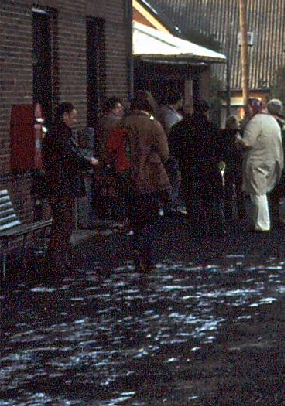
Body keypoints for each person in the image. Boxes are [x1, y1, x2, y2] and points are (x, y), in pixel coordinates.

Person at [40, 102, 99, 276]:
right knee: (63, 223)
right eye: (72, 116)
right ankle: (56, 262)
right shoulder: (61, 135)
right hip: (61, 185)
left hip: (61, 184)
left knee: (64, 223)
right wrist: (88, 161)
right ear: (64, 116)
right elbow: (70, 156)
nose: (74, 120)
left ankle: (60, 260)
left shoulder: (58, 133)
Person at [122, 91, 171, 273]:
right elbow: (165, 153)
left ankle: (136, 250)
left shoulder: (123, 123)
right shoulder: (153, 124)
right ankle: (147, 258)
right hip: (150, 179)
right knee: (150, 220)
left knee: (135, 220)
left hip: (127, 179)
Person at [167, 99, 223, 239]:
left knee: (193, 200)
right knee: (212, 200)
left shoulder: (181, 128)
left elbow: (173, 148)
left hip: (189, 168)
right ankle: (216, 228)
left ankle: (197, 229)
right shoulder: (213, 128)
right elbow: (220, 149)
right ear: (206, 111)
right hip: (210, 168)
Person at [239, 97, 283, 232]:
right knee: (261, 192)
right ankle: (259, 222)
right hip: (272, 160)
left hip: (257, 161)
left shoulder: (255, 122)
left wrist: (238, 139)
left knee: (258, 194)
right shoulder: (272, 121)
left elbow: (248, 142)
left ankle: (262, 223)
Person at [92, 96, 126, 227]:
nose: (120, 110)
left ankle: (103, 211)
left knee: (104, 186)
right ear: (113, 108)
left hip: (102, 159)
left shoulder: (100, 121)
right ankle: (116, 214)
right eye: (118, 107)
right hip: (114, 159)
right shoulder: (117, 123)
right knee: (115, 187)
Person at [266, 98, 285, 226]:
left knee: (269, 189)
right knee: (276, 188)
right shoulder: (282, 125)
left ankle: (268, 216)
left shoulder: (265, 123)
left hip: (268, 157)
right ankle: (275, 216)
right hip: (280, 158)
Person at [217, 112, 247, 232]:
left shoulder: (222, 134)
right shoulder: (238, 135)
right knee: (240, 190)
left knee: (228, 190)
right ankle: (241, 212)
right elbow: (242, 147)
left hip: (228, 163)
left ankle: (228, 213)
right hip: (237, 163)